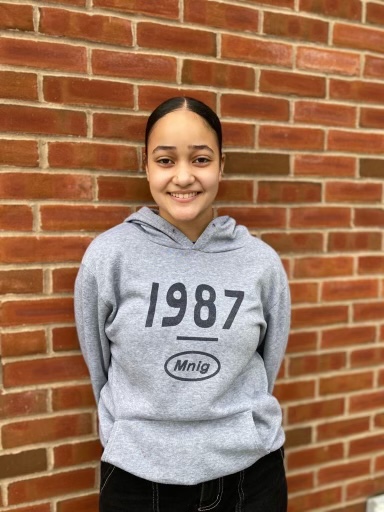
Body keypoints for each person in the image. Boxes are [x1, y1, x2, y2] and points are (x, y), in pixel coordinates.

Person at [74, 96, 291, 512]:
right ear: (147, 166)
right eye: (166, 160)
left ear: (222, 166)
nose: (184, 176)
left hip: (251, 479)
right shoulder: (109, 257)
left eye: (202, 159)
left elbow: (268, 364)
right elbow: (98, 364)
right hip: (139, 479)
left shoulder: (260, 263)